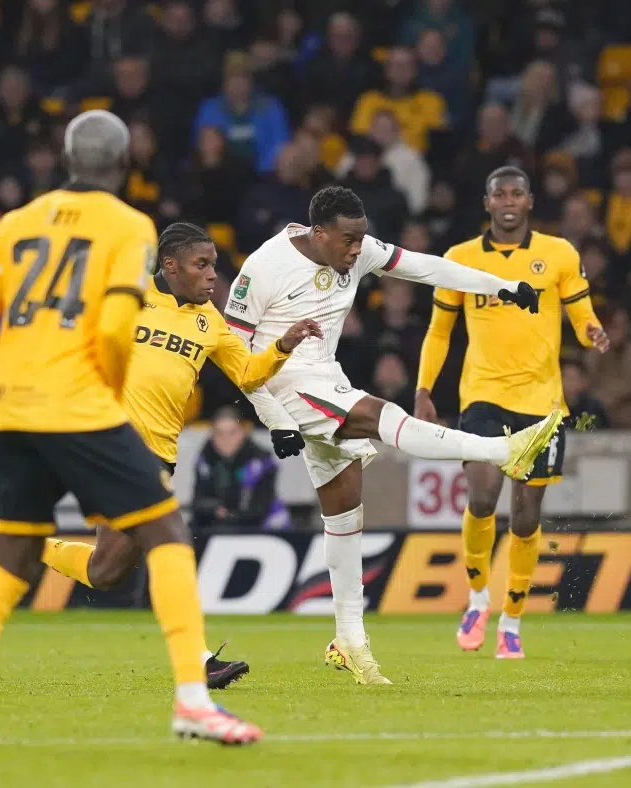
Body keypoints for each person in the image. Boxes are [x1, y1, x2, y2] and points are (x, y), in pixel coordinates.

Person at [0, 111, 263, 748]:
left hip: (10, 406)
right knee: (168, 534)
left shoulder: (12, 226)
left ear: (65, 158)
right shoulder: (127, 225)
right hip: (82, 405)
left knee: (13, 560)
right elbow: (118, 325)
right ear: (123, 164)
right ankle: (193, 701)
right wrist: (107, 395)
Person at [225, 185, 564, 685]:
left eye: (361, 239)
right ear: (318, 233)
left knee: (344, 512)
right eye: (347, 240)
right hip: (286, 383)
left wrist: (502, 286)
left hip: (326, 375)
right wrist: (274, 418)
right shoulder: (263, 267)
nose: (357, 250)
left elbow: (428, 268)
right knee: (378, 415)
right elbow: (235, 359)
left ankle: (349, 640)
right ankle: (502, 450)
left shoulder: (356, 252)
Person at [37, 221, 320, 687]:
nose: (213, 275)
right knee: (172, 545)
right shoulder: (126, 300)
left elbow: (247, 374)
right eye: (201, 264)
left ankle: (29, 549)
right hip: (113, 446)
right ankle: (198, 661)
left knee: (105, 572)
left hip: (158, 456)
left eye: (213, 264)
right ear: (169, 265)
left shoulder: (210, 322)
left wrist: (283, 345)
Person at [415, 166, 608, 659]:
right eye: (498, 192)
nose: (507, 200)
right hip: (481, 395)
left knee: (525, 516)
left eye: (516, 193)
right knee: (481, 498)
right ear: (486, 202)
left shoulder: (558, 253)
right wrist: (423, 389)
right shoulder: (459, 259)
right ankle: (478, 598)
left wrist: (593, 333)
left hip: (543, 405)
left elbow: (581, 314)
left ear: (529, 201)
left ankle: (513, 619)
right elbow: (439, 332)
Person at [192, 406, 290, 531]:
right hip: (222, 523)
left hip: (262, 526)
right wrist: (214, 509)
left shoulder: (262, 461)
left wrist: (225, 514)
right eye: (219, 433)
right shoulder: (204, 460)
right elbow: (197, 503)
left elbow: (259, 509)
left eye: (232, 433)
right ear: (212, 435)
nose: (225, 440)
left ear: (242, 433)